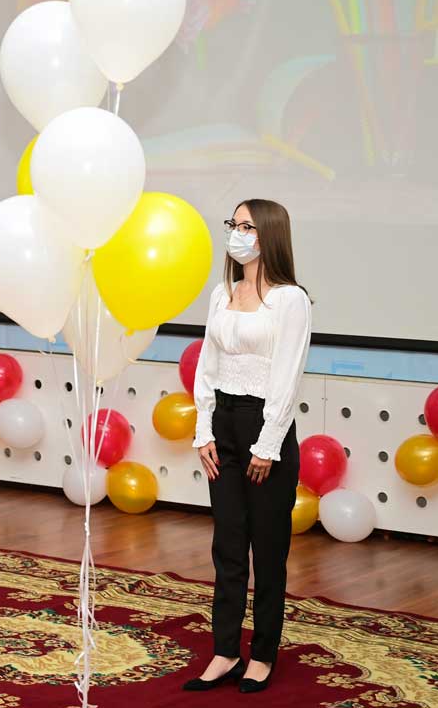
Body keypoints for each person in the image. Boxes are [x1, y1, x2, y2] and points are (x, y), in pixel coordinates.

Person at [184, 198, 311, 695]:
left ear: (269, 235)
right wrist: (203, 430)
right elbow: (207, 365)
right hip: (224, 423)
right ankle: (225, 651)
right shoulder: (222, 293)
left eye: (247, 227)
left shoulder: (290, 300)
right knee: (228, 545)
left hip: (265, 429)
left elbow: (287, 375)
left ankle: (262, 655)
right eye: (233, 225)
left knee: (269, 549)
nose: (236, 234)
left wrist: (268, 443)